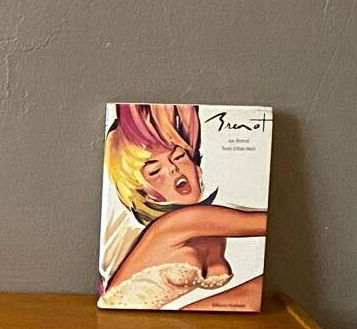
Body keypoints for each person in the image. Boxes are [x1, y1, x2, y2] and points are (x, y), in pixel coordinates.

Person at [99, 103, 266, 310]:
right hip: (125, 328)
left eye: (179, 157)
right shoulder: (177, 224)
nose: (173, 170)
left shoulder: (211, 229)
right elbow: (268, 223)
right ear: (141, 192)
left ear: (196, 164)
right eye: (154, 171)